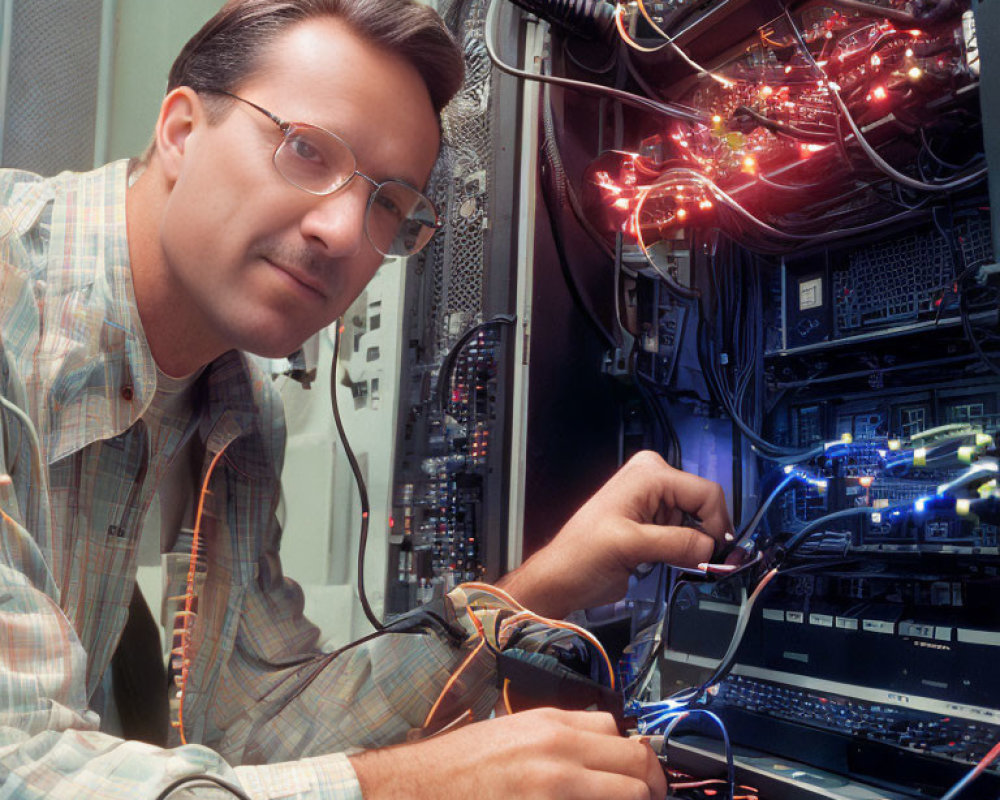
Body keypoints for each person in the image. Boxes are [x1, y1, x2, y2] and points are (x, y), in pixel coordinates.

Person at [0, 0, 733, 797]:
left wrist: (541, 587)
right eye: (307, 150)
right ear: (180, 132)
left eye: (390, 203)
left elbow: (259, 727)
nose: (347, 233)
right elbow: (21, 767)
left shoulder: (239, 412)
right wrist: (418, 786)